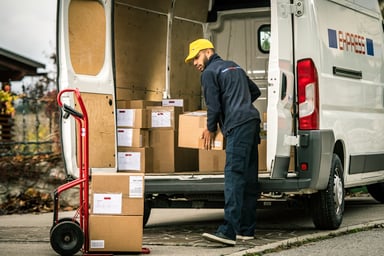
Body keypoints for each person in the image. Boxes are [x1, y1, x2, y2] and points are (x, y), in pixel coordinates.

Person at [185, 38, 261, 246]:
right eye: (192, 60)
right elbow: (255, 91)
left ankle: (228, 231)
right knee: (248, 177)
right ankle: (246, 230)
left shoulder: (209, 73)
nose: (194, 63)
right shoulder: (234, 66)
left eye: (196, 57)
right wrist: (240, 103)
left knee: (234, 177)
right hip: (252, 121)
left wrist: (210, 128)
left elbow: (213, 105)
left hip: (237, 125)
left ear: (208, 52)